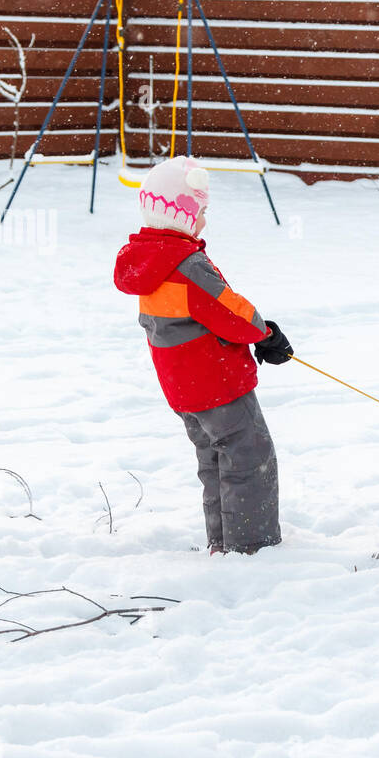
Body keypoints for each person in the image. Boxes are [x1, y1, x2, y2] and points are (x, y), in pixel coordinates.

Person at [113, 156, 292, 555]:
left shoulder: (148, 263)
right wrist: (265, 334)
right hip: (220, 385)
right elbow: (229, 311)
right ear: (181, 214)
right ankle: (253, 547)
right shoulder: (186, 266)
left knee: (214, 463)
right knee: (250, 461)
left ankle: (222, 541)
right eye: (201, 212)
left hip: (184, 390)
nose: (204, 221)